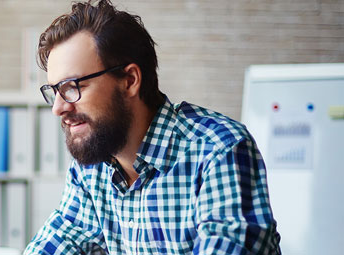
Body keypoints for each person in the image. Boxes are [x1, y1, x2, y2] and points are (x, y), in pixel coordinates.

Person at [24, 0, 281, 254]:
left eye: (72, 87)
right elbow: (61, 242)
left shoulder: (220, 151)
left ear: (129, 80)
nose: (58, 108)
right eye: (54, 91)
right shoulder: (91, 167)